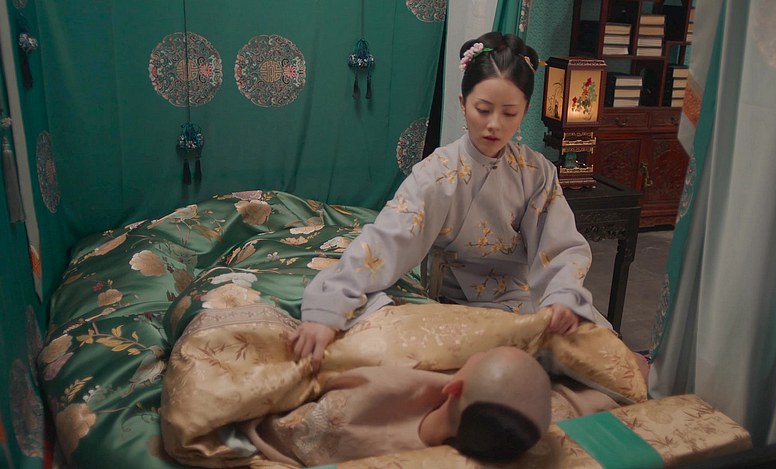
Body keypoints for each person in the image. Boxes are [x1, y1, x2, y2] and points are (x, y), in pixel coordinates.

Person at [293, 32, 600, 369]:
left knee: (596, 356)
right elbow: (387, 240)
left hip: (525, 299)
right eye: (483, 109)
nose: (494, 125)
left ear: (525, 110)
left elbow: (560, 246)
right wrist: (330, 307)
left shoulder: (536, 172)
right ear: (462, 103)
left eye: (509, 113)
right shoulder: (438, 173)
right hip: (455, 303)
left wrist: (561, 297)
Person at [226, 346, 609, 466]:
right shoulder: (516, 426)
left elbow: (274, 424)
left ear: (453, 386)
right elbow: (570, 403)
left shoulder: (351, 412)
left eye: (480, 356)